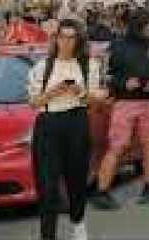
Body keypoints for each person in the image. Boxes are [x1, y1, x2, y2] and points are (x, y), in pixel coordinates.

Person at [27, 19, 104, 240]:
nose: (67, 42)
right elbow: (34, 103)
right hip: (48, 123)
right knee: (47, 186)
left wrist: (79, 91)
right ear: (56, 38)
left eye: (72, 37)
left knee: (76, 179)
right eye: (63, 36)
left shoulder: (89, 65)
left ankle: (78, 223)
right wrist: (55, 91)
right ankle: (47, 235)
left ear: (79, 40)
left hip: (76, 122)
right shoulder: (43, 66)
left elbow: (95, 102)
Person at [91, 10, 149, 210]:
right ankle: (102, 191)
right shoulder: (117, 45)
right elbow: (106, 76)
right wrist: (124, 83)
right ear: (138, 26)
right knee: (118, 146)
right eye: (148, 25)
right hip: (124, 102)